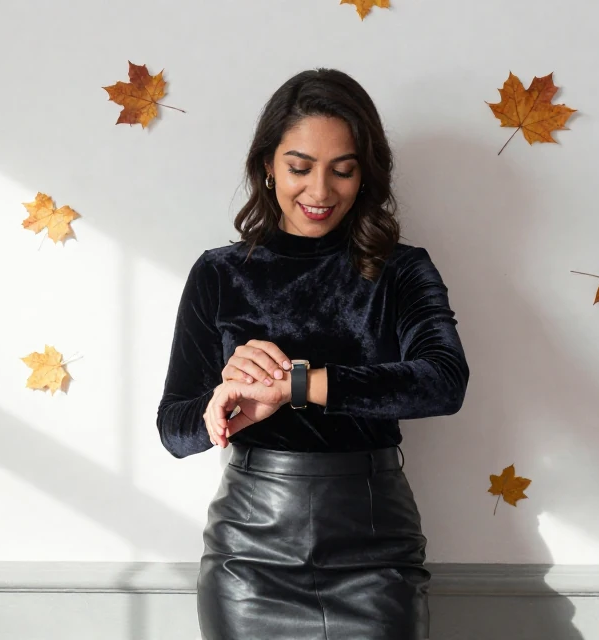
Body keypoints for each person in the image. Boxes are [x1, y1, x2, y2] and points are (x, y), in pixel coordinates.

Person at [155, 68, 471, 640]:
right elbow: (175, 430)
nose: (320, 192)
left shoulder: (403, 269)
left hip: (374, 547)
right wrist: (225, 409)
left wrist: (296, 386)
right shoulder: (221, 274)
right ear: (267, 168)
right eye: (300, 168)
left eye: (342, 170)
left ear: (365, 175)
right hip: (249, 556)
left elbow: (444, 381)